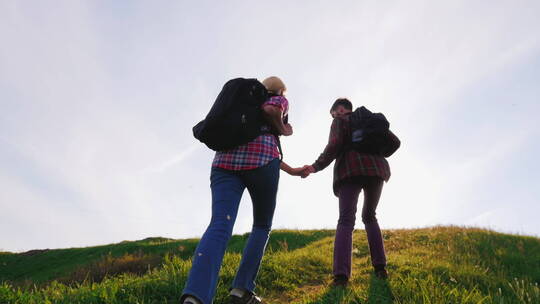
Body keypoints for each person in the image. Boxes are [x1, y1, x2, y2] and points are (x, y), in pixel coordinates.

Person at [181, 76, 306, 304]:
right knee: (261, 225)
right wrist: (283, 129)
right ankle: (241, 291)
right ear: (279, 91)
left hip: (224, 164)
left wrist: (293, 170)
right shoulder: (277, 99)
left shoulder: (241, 103)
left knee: (219, 224)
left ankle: (195, 297)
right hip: (261, 164)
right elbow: (270, 112)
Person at [302, 98, 396, 287]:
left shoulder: (341, 120)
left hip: (350, 170)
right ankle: (380, 269)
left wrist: (315, 166)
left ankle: (341, 277)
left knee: (346, 220)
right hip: (377, 171)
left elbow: (334, 144)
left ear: (341, 109)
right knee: (370, 216)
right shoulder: (369, 121)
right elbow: (393, 142)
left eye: (334, 113)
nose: (334, 116)